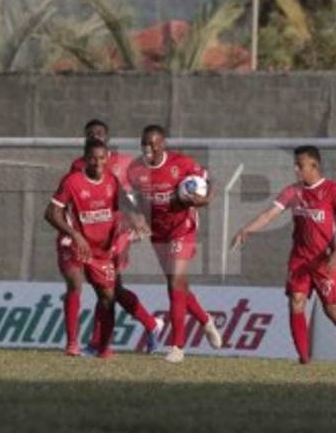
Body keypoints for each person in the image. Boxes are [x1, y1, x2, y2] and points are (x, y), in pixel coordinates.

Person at [231, 146, 336, 366]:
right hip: (299, 259)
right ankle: (304, 359)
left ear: (314, 165)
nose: (295, 169)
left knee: (332, 311)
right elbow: (269, 215)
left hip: (325, 260)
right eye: (295, 165)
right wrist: (246, 230)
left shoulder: (334, 190)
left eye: (300, 165)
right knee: (296, 301)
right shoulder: (293, 191)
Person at [60, 120, 163, 356]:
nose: (95, 135)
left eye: (100, 133)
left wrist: (141, 219)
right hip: (93, 232)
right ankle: (149, 325)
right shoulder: (78, 165)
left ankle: (100, 343)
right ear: (85, 138)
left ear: (108, 137)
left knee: (108, 287)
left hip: (119, 232)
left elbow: (140, 191)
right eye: (90, 133)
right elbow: (74, 199)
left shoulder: (125, 163)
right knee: (108, 287)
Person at [126, 124, 223, 364]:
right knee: (177, 284)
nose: (147, 148)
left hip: (182, 227)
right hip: (158, 231)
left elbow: (211, 180)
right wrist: (138, 221)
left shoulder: (182, 164)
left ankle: (178, 346)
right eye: (144, 143)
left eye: (152, 144)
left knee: (175, 283)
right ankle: (205, 320)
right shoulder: (135, 170)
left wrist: (205, 199)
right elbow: (138, 201)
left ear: (163, 144)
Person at [46, 138, 135, 359]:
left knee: (108, 296)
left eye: (102, 158)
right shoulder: (72, 181)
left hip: (101, 250)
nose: (98, 163)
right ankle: (72, 344)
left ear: (107, 159)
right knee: (75, 283)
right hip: (75, 244)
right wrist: (74, 234)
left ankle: (104, 349)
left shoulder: (112, 181)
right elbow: (51, 213)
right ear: (85, 159)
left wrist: (137, 220)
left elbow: (126, 206)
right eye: (93, 158)